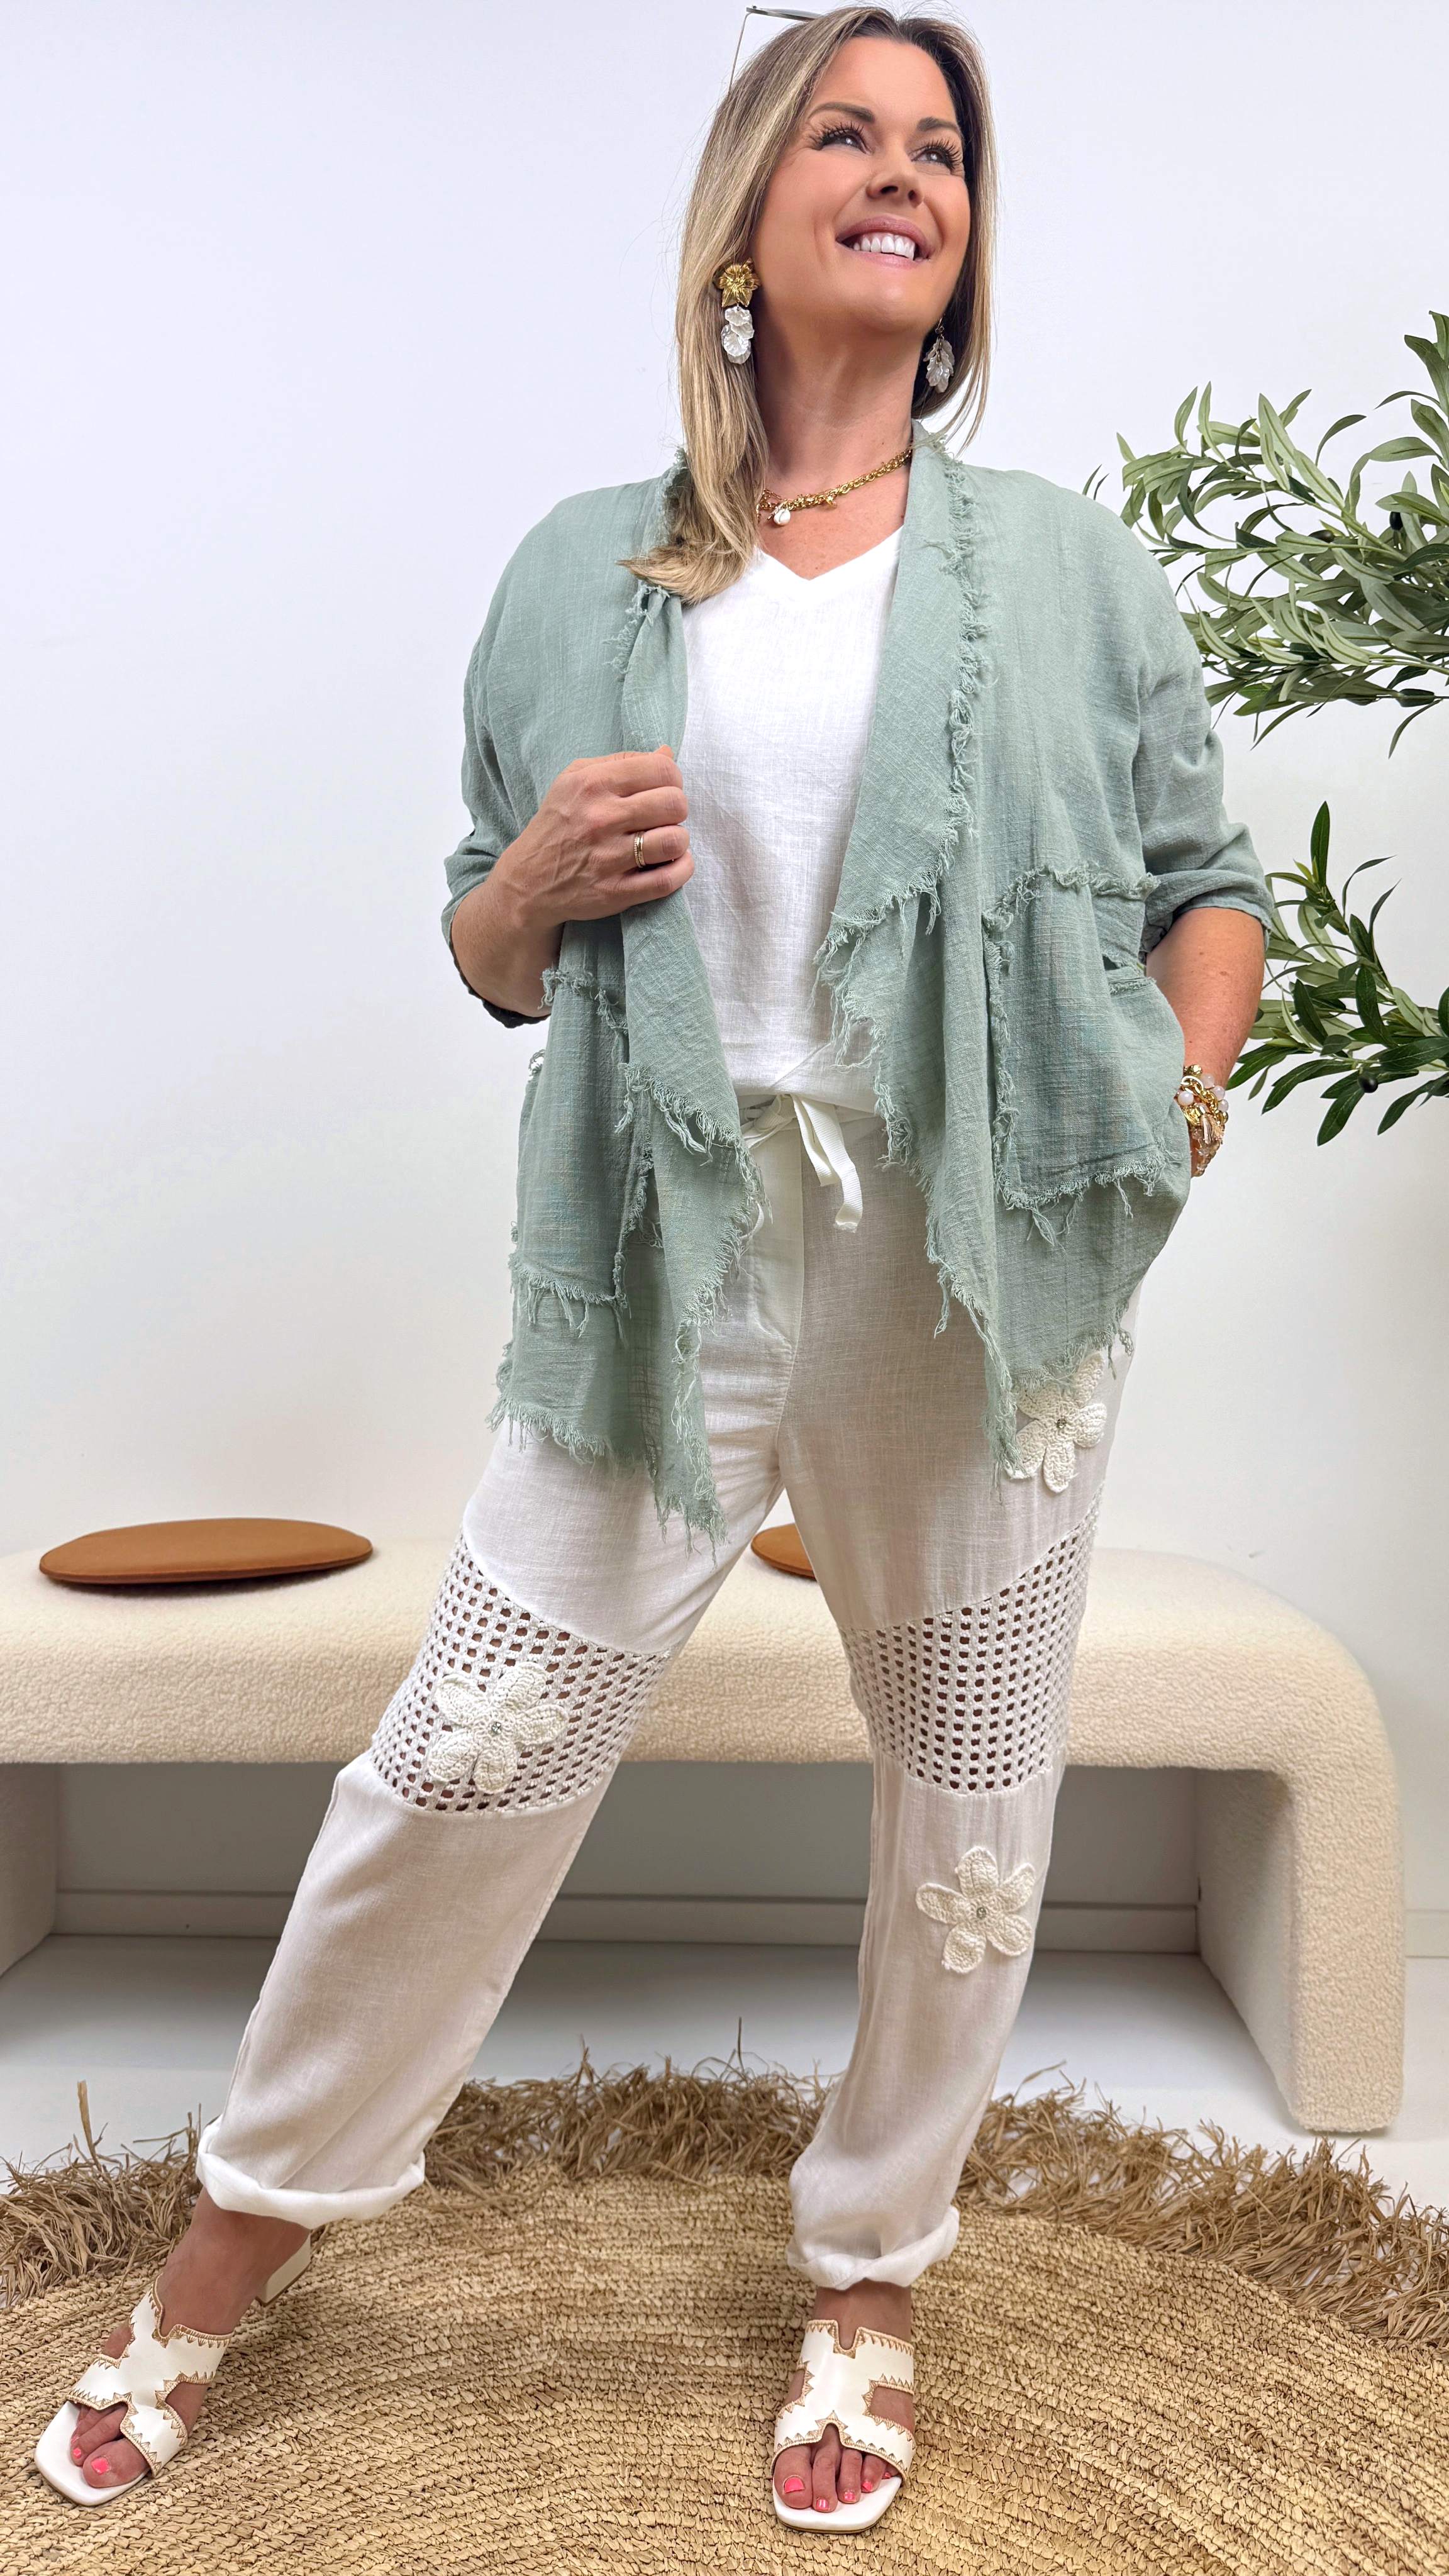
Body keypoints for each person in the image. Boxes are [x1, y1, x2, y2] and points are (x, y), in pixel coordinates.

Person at [37, 5, 1269, 2531]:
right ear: (745, 210)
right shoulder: (583, 569)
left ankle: (874, 2268)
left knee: (970, 1786)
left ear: (967, 243)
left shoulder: (1064, 566)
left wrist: (1177, 1094)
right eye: (849, 132)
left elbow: (1205, 879)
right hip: (668, 1232)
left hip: (981, 1261)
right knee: (468, 1753)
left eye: (943, 150)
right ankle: (225, 2251)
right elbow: (487, 948)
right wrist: (520, 893)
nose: (904, 173)